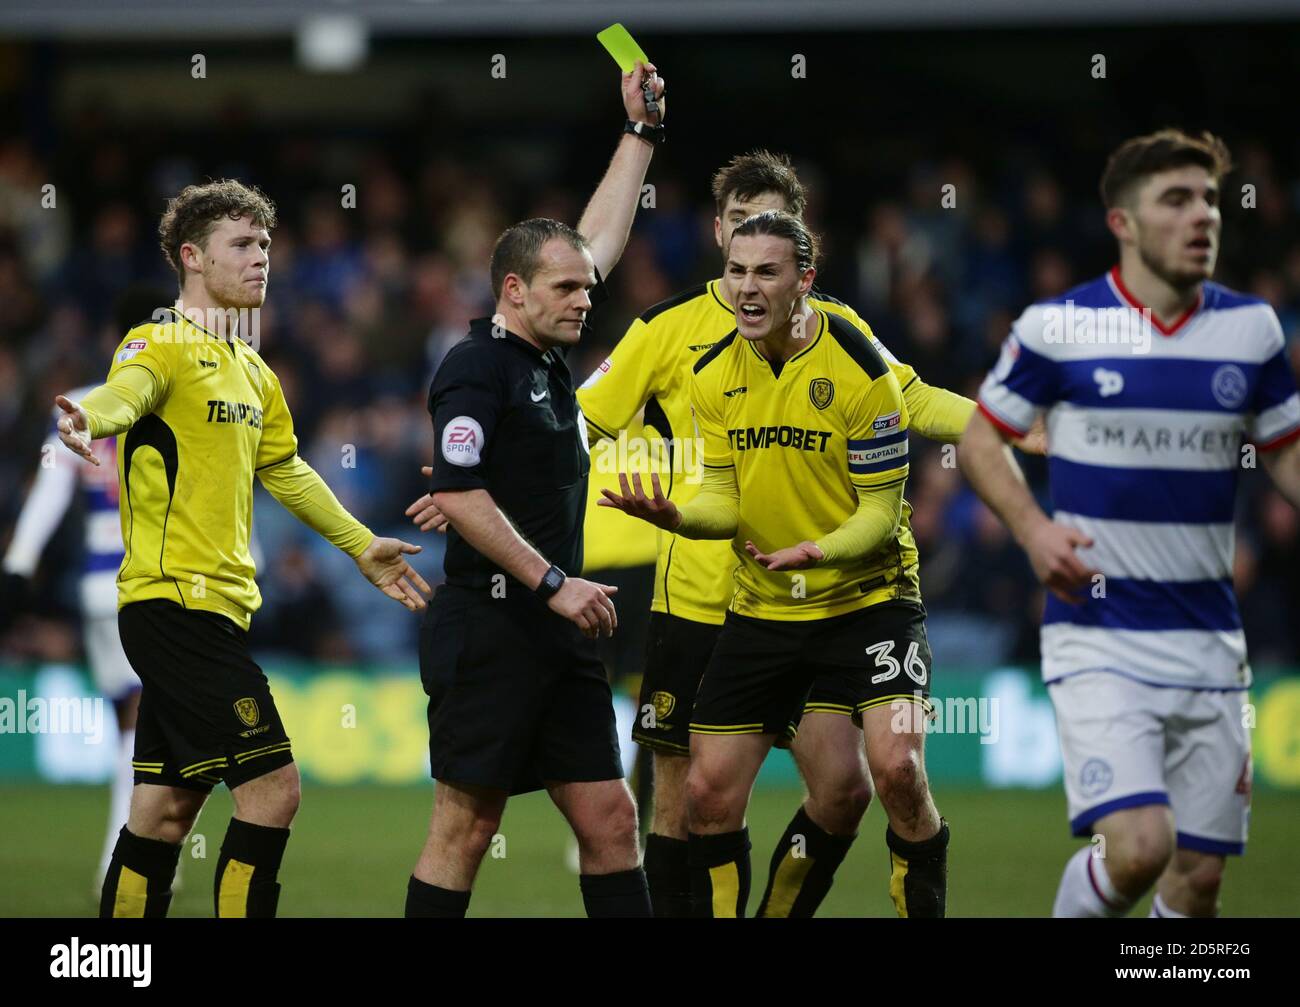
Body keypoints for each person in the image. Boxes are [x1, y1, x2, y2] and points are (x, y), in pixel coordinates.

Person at [57, 179, 431, 918]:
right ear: (192, 257)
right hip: (173, 607)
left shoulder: (255, 370)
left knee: (162, 813)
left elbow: (285, 468)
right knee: (275, 789)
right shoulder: (159, 340)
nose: (261, 258)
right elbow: (123, 391)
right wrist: (88, 417)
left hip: (216, 611)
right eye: (242, 245)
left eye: (264, 244)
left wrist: (361, 546)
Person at [958, 129, 1300, 917]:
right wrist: (1034, 530)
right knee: (1140, 846)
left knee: (1199, 878)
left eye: (1210, 199)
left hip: (1212, 640)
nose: (1202, 217)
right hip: (1100, 632)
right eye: (1176, 200)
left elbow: (1284, 454)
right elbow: (981, 441)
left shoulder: (1252, 330)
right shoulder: (1061, 326)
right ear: (1123, 223)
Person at [601, 210, 948, 918]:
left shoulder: (860, 366)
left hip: (867, 597)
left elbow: (882, 512)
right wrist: (679, 516)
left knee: (897, 770)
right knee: (706, 792)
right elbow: (724, 500)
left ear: (804, 282)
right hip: (765, 606)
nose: (746, 288)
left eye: (766, 272)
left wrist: (818, 550)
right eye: (735, 271)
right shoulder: (711, 374)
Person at [404, 61, 666, 919]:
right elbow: (462, 488)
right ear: (513, 291)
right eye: (565, 289)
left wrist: (639, 135)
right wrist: (552, 582)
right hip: (492, 626)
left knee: (609, 815)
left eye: (586, 288)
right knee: (466, 826)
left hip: (560, 631)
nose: (585, 298)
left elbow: (599, 240)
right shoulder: (476, 368)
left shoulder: (544, 360)